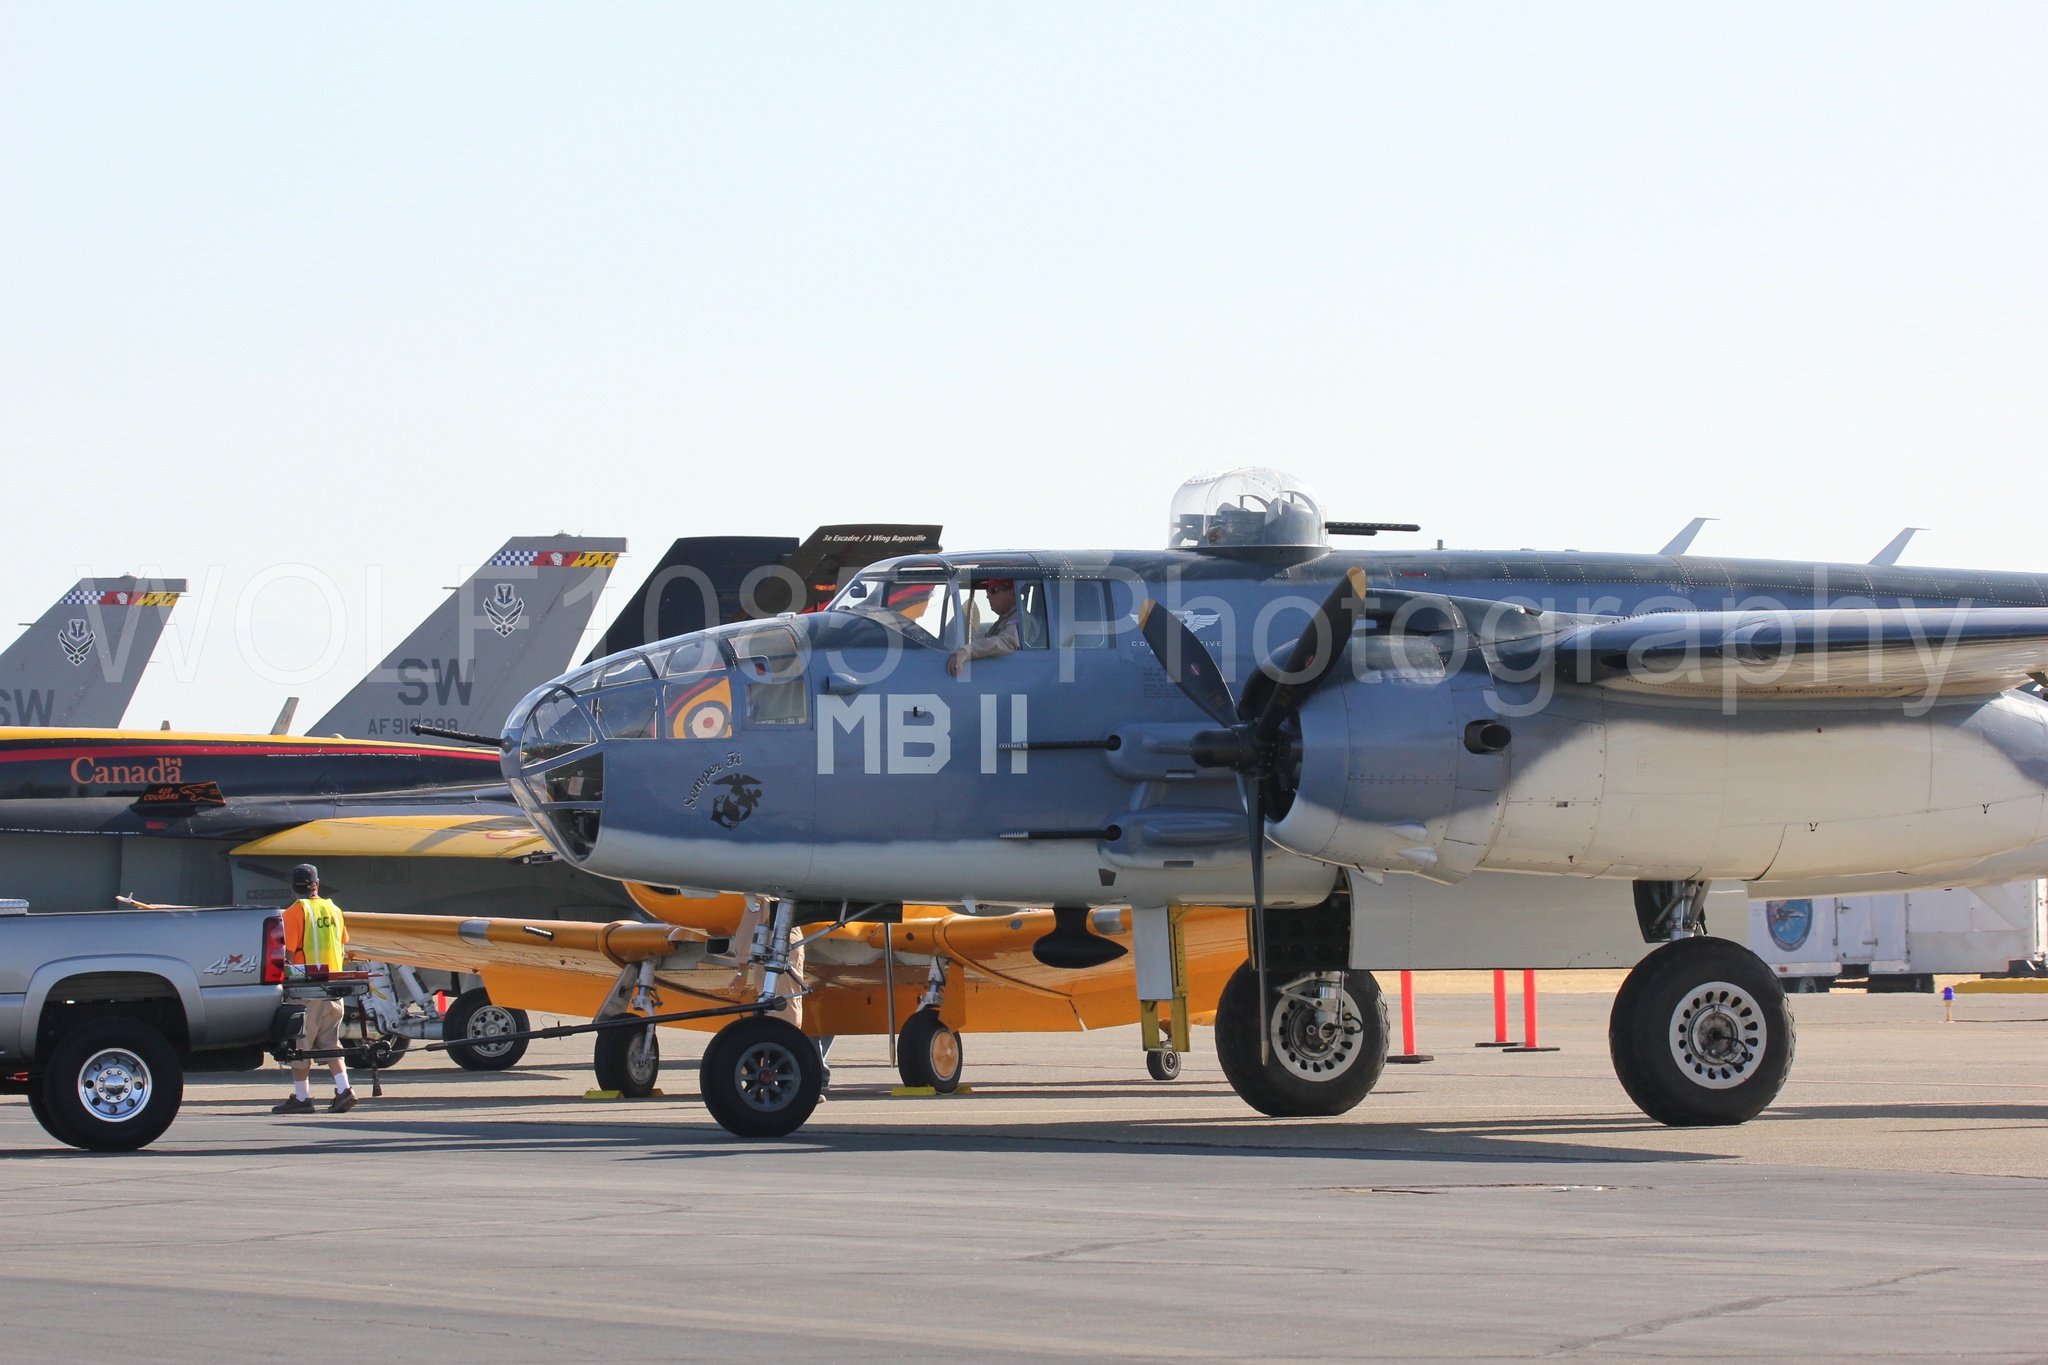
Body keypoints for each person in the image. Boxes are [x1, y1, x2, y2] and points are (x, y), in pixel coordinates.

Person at [271, 863, 357, 1115]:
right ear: (316, 884)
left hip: (306, 989)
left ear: (292, 887)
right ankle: (344, 1089)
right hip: (334, 987)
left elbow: (287, 953)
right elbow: (343, 944)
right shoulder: (334, 910)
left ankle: (302, 1097)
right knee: (331, 1042)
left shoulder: (295, 912)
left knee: (300, 1044)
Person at [947, 577, 1022, 676]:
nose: (988, 596)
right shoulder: (1005, 619)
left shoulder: (1020, 619)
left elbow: (1007, 641)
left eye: (993, 591)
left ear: (1011, 593)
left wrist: (967, 650)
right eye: (987, 591)